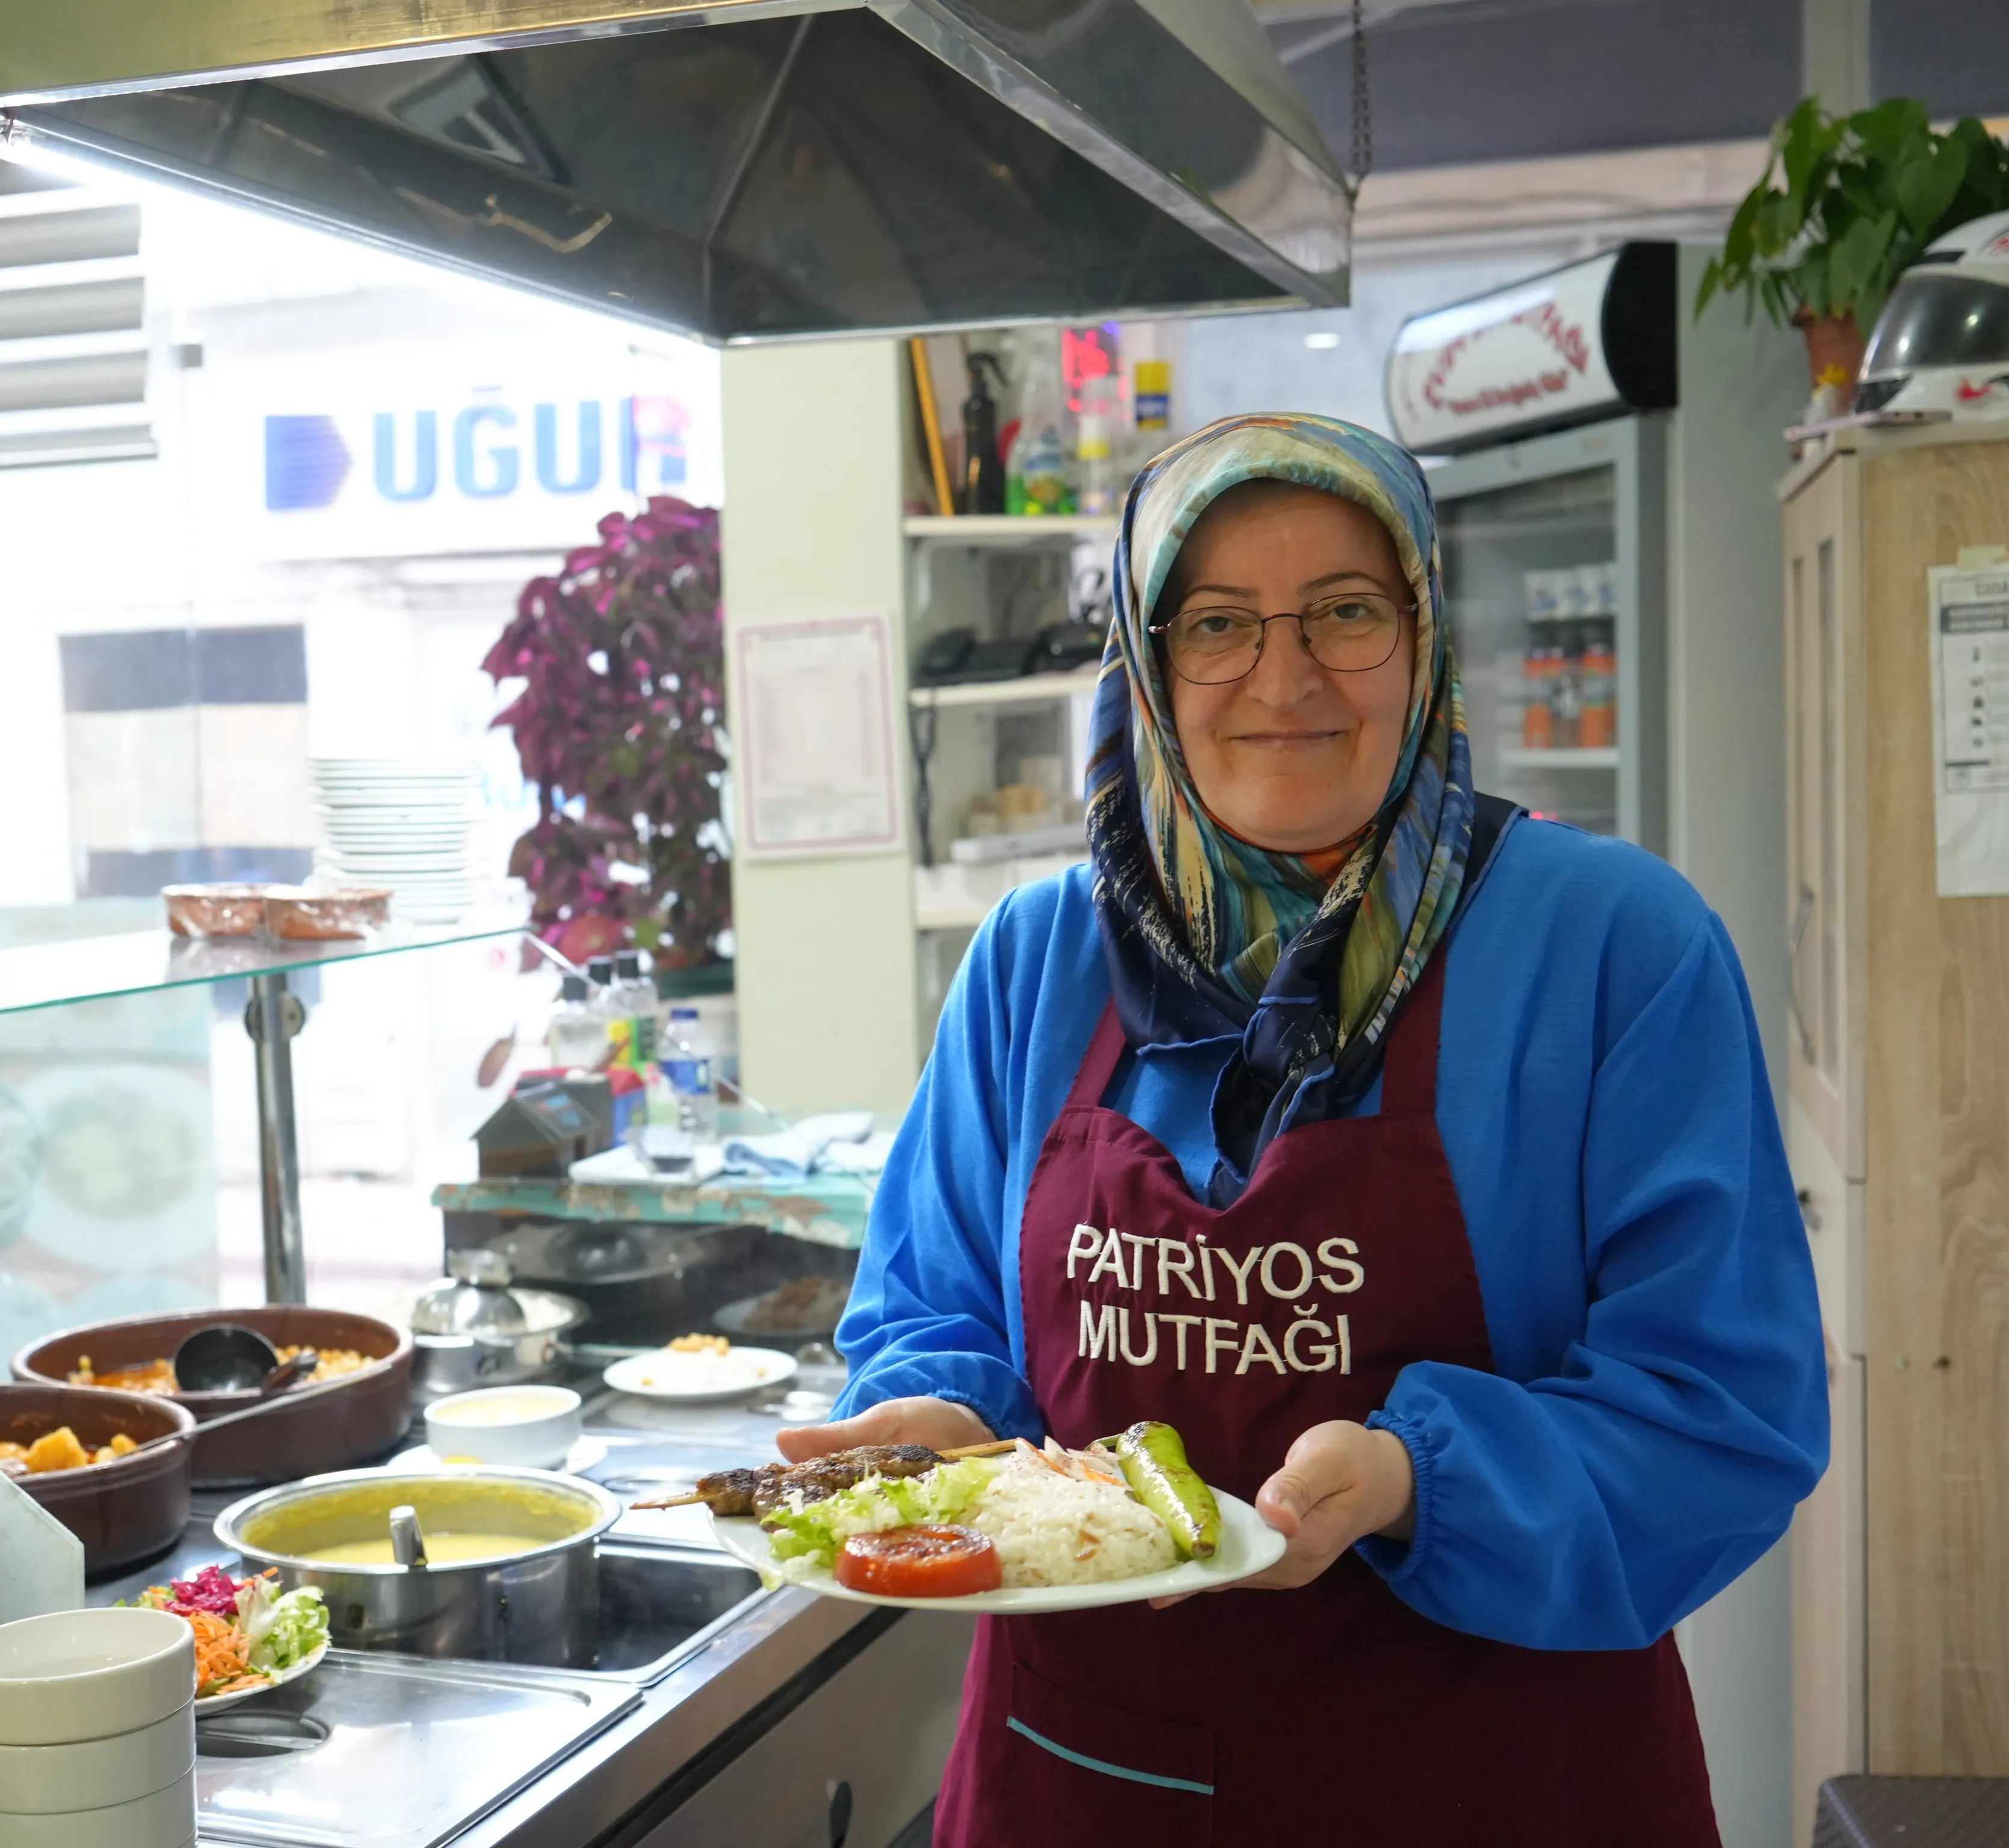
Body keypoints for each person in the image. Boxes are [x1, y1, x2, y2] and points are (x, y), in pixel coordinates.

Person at [782, 413, 1828, 1846]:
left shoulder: (1609, 946)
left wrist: (1413, 1478)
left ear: (1422, 632)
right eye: (1213, 624)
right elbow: (931, 1301)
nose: (1282, 679)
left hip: (1497, 1780)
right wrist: (952, 1426)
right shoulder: (1038, 960)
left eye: (1344, 611)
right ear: (1145, 663)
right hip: (1089, 1779)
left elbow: (1724, 1410)